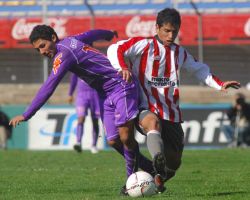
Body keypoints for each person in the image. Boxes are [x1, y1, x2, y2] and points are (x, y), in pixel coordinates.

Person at [107, 7, 241, 192]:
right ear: (157, 28)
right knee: (152, 123)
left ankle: (156, 177)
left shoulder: (179, 53)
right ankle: (155, 160)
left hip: (171, 113)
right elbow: (115, 48)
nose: (171, 36)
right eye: (167, 31)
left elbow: (199, 69)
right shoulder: (143, 45)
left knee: (174, 164)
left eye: (174, 32)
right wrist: (122, 67)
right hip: (145, 106)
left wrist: (219, 84)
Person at [8, 25, 142, 191]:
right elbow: (91, 33)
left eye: (42, 46)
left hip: (120, 85)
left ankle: (132, 181)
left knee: (125, 136)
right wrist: (108, 34)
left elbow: (48, 87)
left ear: (53, 38)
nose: (41, 52)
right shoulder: (71, 41)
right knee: (113, 140)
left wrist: (27, 114)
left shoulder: (63, 55)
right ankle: (147, 166)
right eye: (37, 50)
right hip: (105, 94)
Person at [67, 29, 118, 154]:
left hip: (95, 93)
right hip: (82, 95)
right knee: (81, 118)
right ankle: (78, 142)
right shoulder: (77, 56)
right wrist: (70, 93)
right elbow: (74, 77)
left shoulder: (95, 55)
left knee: (95, 120)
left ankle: (94, 145)